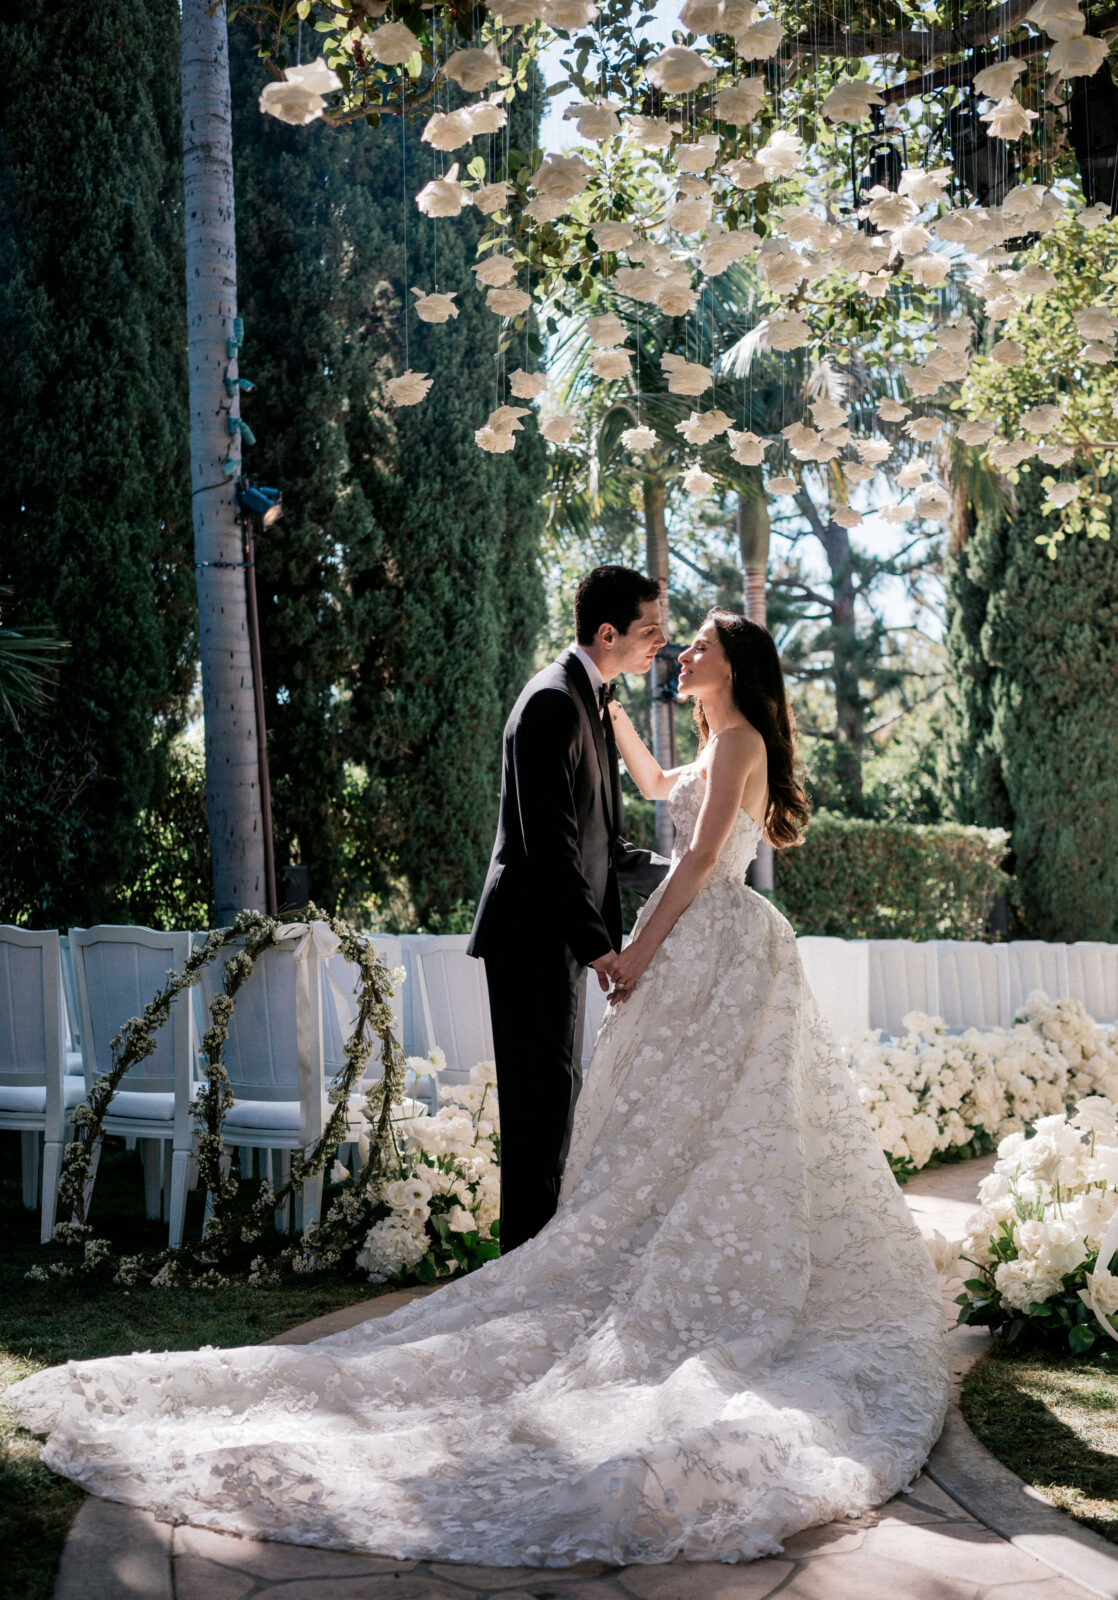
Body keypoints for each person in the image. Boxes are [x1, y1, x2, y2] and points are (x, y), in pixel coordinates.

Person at [9, 606, 949, 1570]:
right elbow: (666, 790)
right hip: (693, 952)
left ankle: (711, 1263)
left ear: (737, 662)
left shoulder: (743, 734)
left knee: (730, 1124)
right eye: (675, 641)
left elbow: (704, 859)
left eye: (698, 643)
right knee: (669, 1123)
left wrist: (634, 952)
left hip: (720, 950)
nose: (683, 652)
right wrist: (617, 717)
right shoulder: (712, 739)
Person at [466, 564, 671, 1252]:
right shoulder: (552, 702)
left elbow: (601, 844)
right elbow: (549, 846)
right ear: (607, 632)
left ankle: (531, 1270)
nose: (660, 644)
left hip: (555, 937)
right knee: (538, 1119)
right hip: (530, 939)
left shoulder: (592, 699)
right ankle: (520, 1276)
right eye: (650, 631)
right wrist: (601, 949)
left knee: (554, 1109)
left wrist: (697, 882)